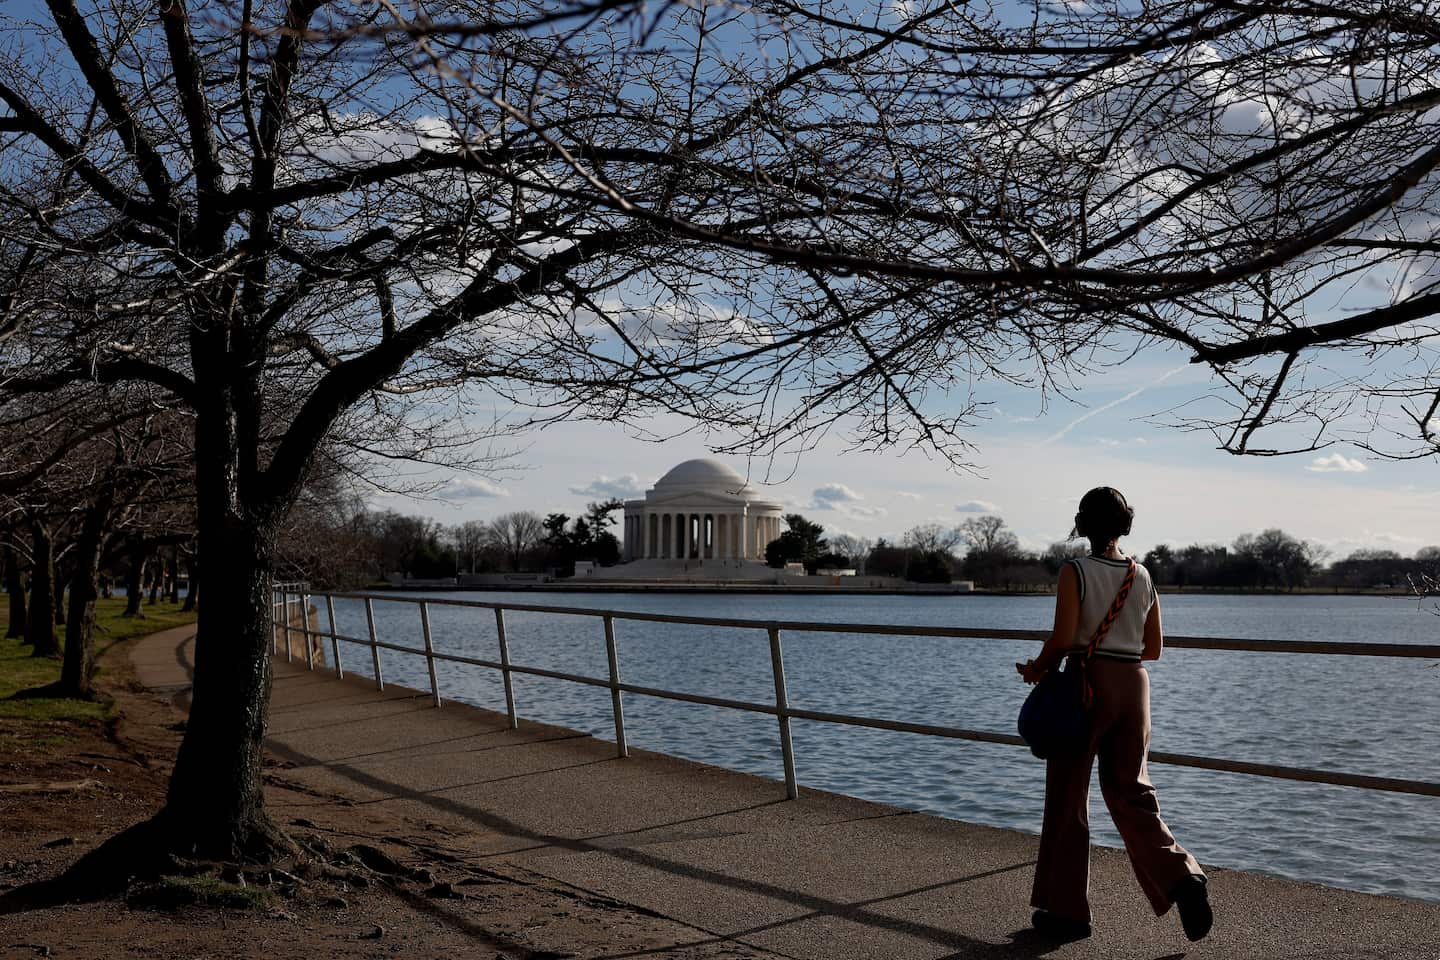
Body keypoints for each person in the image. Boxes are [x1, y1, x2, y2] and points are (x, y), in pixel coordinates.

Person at [1016, 486, 1212, 942]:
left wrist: (1038, 668)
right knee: (1132, 792)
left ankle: (1067, 912)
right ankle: (1182, 876)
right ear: (1126, 525)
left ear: (1081, 524)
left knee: (1068, 797)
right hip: (1134, 685)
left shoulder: (1075, 571)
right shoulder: (1141, 575)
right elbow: (1154, 648)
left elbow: (1064, 637)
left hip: (1087, 686)